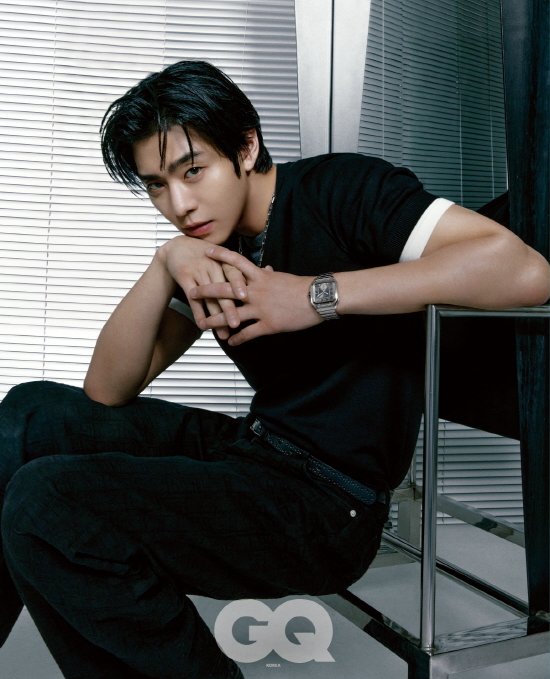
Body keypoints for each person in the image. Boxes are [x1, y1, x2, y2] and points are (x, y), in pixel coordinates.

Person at [0, 60, 548, 679]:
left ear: (245, 146)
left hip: (329, 504)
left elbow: (524, 271)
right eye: (156, 185)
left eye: (193, 171)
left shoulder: (342, 190)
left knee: (47, 502)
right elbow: (107, 389)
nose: (179, 204)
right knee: (28, 415)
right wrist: (166, 261)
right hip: (257, 452)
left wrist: (315, 296)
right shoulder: (212, 247)